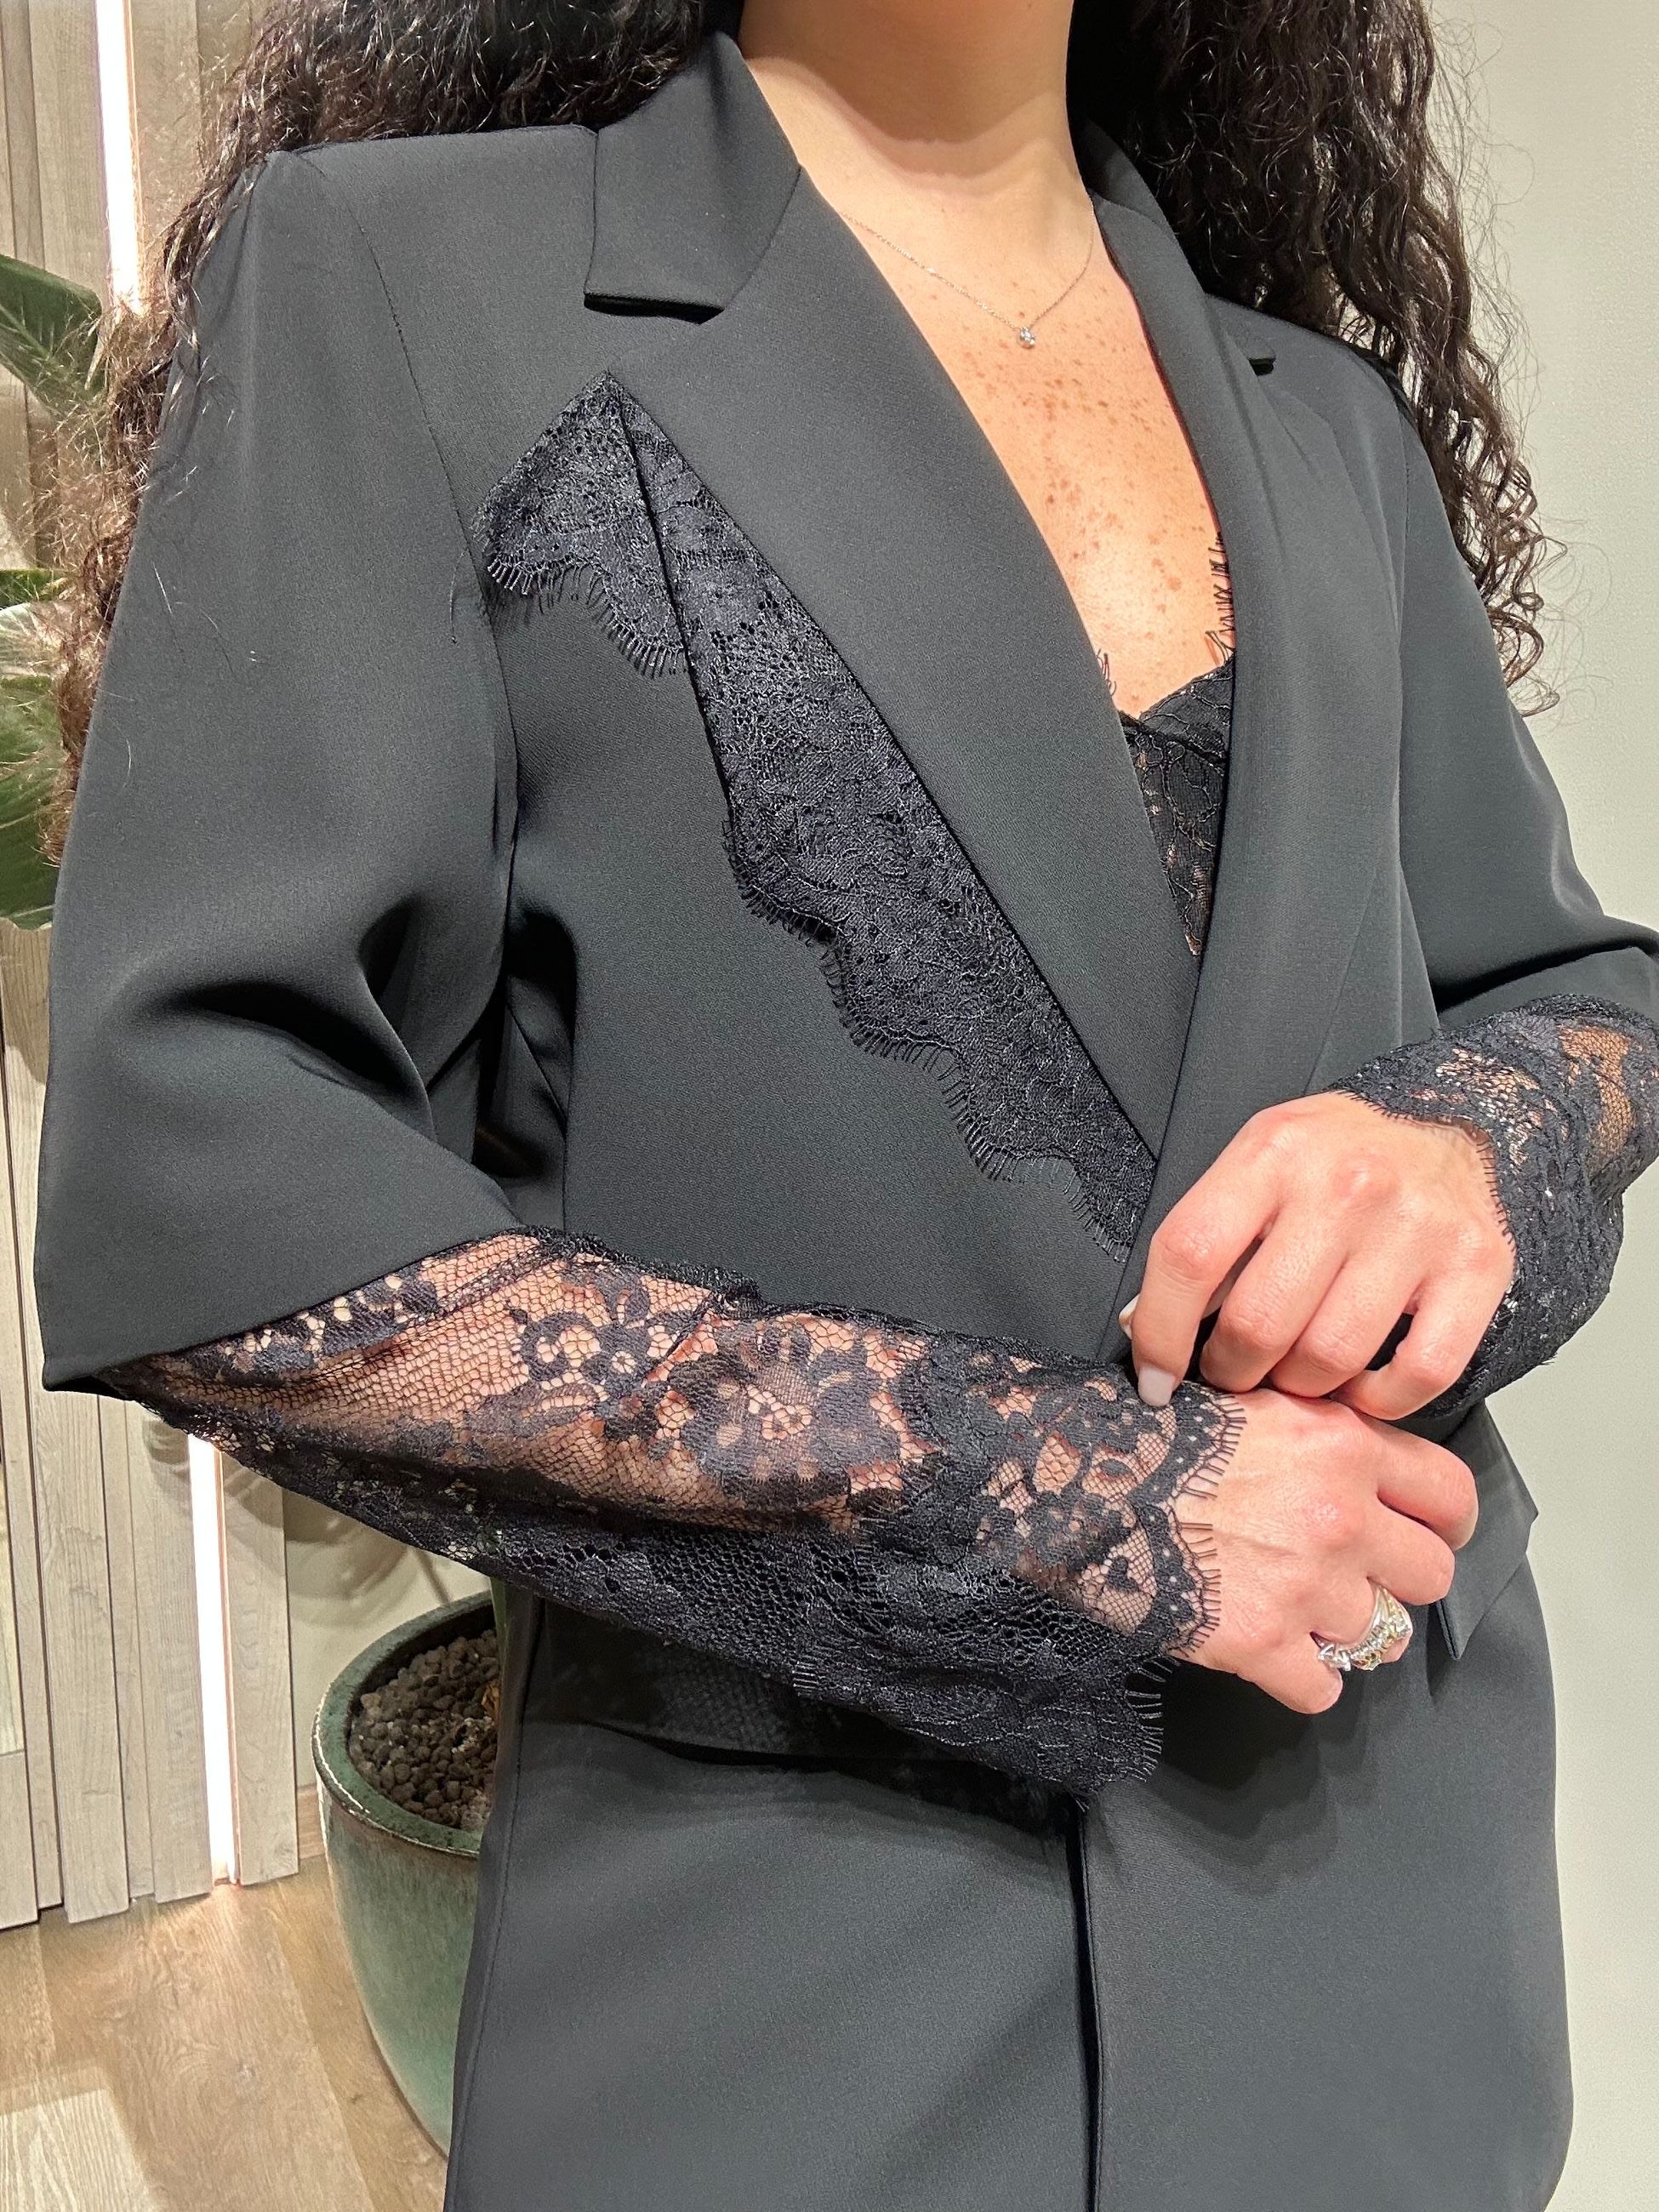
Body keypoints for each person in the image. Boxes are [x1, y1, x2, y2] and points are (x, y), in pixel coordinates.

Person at [31, 2, 1659, 2206]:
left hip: (1386, 1891)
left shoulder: (1326, 421)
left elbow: (1571, 986)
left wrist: (1470, 1142)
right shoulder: (406, 279)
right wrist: (1076, 1503)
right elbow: (197, 1188)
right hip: (799, 1977)